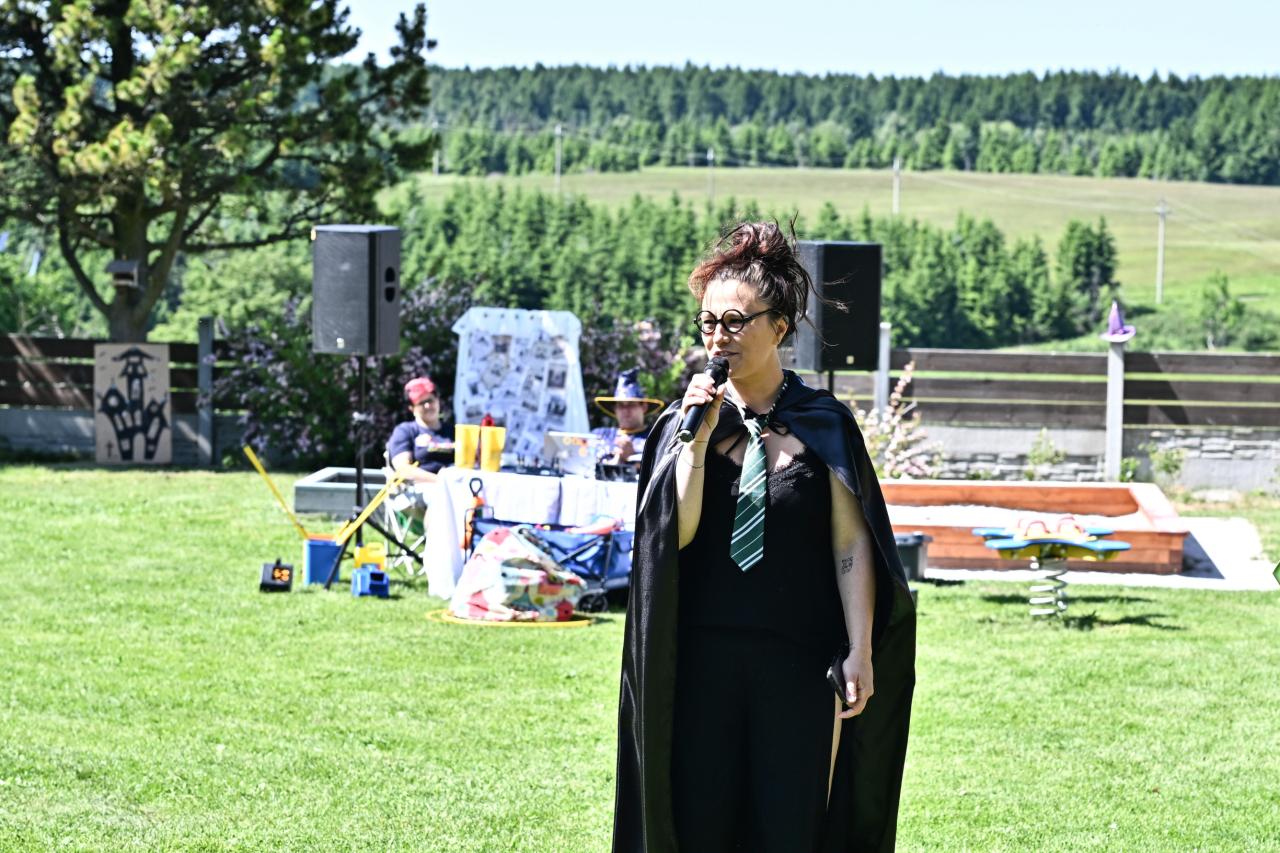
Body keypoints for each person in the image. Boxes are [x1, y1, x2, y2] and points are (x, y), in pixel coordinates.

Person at [613, 222, 916, 852]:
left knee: (789, 828)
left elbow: (851, 546)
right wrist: (697, 441)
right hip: (700, 665)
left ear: (778, 328)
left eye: (734, 321)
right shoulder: (682, 426)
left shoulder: (825, 422)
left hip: (799, 664)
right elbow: (676, 536)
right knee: (701, 826)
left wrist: (860, 649)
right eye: (707, 322)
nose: (718, 336)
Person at [386, 376, 452, 508]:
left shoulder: (454, 431)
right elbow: (403, 469)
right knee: (441, 496)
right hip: (422, 490)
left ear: (438, 400)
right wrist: (440, 481)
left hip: (456, 485)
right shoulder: (405, 430)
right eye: (422, 403)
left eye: (430, 400)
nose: (428, 406)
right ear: (412, 408)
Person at [593, 368, 664, 465]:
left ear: (644, 407)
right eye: (620, 405)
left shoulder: (656, 438)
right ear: (615, 409)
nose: (625, 410)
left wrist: (633, 456)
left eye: (631, 404)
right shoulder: (599, 435)